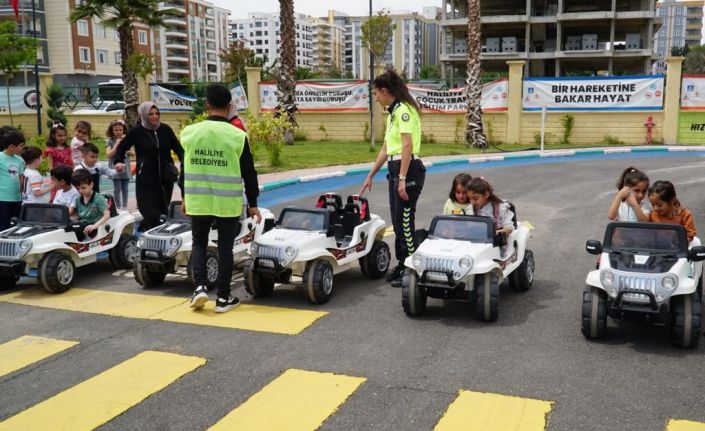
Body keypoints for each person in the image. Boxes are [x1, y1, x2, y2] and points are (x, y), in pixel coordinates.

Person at [182, 84, 261, 313]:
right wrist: (253, 204)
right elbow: (249, 172)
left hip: (198, 200)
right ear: (229, 107)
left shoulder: (190, 132)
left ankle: (199, 288)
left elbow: (185, 170)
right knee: (226, 248)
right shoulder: (238, 136)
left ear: (207, 104)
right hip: (227, 202)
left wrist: (185, 197)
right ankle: (224, 298)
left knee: (199, 242)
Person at [359, 69, 426, 286]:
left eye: (375, 93)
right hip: (396, 168)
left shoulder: (403, 111)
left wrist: (403, 178)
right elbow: (386, 149)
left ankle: (411, 268)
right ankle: (403, 264)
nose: (375, 97)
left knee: (405, 221)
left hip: (408, 169)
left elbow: (407, 145)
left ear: (385, 91)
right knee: (398, 221)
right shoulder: (393, 113)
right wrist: (370, 175)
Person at [114, 102, 184, 232]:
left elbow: (178, 148)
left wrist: (184, 161)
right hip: (146, 177)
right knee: (149, 211)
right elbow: (122, 147)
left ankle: (152, 231)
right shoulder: (137, 131)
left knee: (163, 209)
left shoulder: (165, 129)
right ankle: (149, 228)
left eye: (157, 113)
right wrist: (118, 161)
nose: (154, 116)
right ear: (143, 115)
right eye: (151, 114)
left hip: (165, 177)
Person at [69, 169, 110, 238]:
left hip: (96, 226)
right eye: (77, 188)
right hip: (84, 225)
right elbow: (76, 214)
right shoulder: (78, 199)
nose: (80, 191)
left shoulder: (98, 198)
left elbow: (107, 214)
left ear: (91, 185)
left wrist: (95, 225)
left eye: (83, 188)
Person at [0, 126, 25, 231]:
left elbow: (21, 178)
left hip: (17, 199)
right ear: (11, 147)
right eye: (21, 146)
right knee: (3, 226)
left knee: (15, 227)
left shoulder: (19, 160)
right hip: (2, 199)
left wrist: (22, 194)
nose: (22, 148)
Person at [105, 119, 131, 210]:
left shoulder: (126, 139)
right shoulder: (110, 141)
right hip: (115, 167)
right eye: (116, 130)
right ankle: (118, 206)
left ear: (123, 130)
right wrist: (116, 144)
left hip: (125, 167)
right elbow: (109, 155)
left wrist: (128, 152)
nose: (118, 132)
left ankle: (124, 206)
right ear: (111, 130)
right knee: (117, 189)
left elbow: (131, 152)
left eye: (120, 129)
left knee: (125, 188)